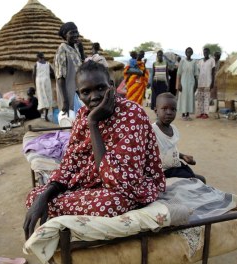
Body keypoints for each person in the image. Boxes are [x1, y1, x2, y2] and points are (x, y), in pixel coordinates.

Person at [23, 61, 166, 239]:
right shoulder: (82, 117)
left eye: (100, 88)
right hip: (92, 186)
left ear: (112, 87)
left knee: (111, 204)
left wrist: (93, 123)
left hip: (128, 187)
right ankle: (61, 207)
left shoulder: (132, 114)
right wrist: (45, 196)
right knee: (35, 197)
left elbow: (120, 182)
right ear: (78, 95)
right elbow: (69, 165)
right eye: (86, 92)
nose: (94, 96)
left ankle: (64, 213)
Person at [152, 92, 206, 183]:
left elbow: (169, 149)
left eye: (173, 109)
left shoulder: (173, 129)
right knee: (196, 182)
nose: (169, 112)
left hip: (176, 167)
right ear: (156, 111)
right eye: (164, 109)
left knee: (200, 180)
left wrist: (182, 156)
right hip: (162, 172)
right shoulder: (152, 131)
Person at [54, 22, 85, 118]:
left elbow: (82, 66)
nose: (76, 35)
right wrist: (65, 101)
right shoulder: (62, 49)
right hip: (70, 92)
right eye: (72, 33)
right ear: (64, 35)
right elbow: (60, 77)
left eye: (76, 32)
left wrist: (81, 50)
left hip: (79, 90)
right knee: (73, 119)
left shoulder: (75, 47)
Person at [176, 47, 198, 121]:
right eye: (187, 52)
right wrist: (179, 84)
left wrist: (196, 85)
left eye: (190, 52)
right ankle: (183, 114)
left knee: (190, 97)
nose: (189, 53)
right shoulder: (182, 61)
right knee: (183, 97)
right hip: (183, 82)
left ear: (192, 53)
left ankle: (188, 114)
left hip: (191, 82)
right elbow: (179, 74)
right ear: (185, 53)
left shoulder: (194, 62)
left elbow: (195, 74)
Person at [32, 52, 55, 121]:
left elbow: (33, 75)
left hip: (39, 82)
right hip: (47, 82)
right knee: (48, 98)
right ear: (43, 56)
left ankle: (41, 113)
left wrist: (35, 85)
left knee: (41, 99)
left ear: (38, 57)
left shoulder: (36, 64)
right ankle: (46, 115)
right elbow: (53, 73)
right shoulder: (48, 64)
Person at [196, 48, 215, 119]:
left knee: (206, 98)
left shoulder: (212, 60)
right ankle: (200, 113)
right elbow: (198, 71)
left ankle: (205, 113)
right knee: (200, 98)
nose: (205, 53)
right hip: (200, 82)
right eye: (204, 52)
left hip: (208, 82)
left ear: (209, 52)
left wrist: (213, 82)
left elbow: (213, 72)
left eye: (207, 52)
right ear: (203, 53)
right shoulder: (200, 61)